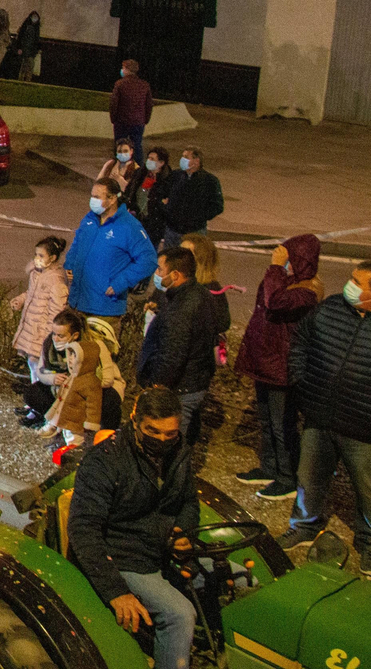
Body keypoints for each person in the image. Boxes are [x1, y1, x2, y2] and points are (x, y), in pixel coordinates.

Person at [68, 387, 200, 669]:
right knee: (180, 614)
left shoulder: (179, 452)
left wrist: (184, 532)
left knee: (233, 581)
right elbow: (83, 529)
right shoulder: (105, 461)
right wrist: (116, 591)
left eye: (170, 434)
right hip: (124, 556)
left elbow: (189, 502)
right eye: (153, 431)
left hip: (161, 549)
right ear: (134, 421)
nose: (163, 440)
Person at [279, 259, 371, 561]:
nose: (350, 286)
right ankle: (305, 525)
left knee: (368, 490)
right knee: (309, 478)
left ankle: (368, 544)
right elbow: (301, 341)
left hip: (362, 427)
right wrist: (300, 380)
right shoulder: (332, 307)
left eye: (358, 282)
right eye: (352, 279)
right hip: (319, 416)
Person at [234, 235, 321, 502]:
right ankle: (269, 467)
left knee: (282, 424)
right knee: (266, 420)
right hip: (266, 361)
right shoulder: (287, 282)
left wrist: (275, 267)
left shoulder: (308, 291)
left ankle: (287, 478)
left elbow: (275, 303)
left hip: (281, 367)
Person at [136, 246, 217, 444]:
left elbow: (172, 355)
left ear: (175, 274)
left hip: (180, 389)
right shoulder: (199, 294)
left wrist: (156, 387)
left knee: (171, 447)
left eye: (159, 270)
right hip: (194, 382)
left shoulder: (181, 309)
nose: (156, 274)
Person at [64, 178, 157, 321]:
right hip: (76, 303)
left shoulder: (129, 226)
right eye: (92, 196)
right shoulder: (90, 219)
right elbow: (77, 243)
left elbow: (148, 260)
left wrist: (122, 282)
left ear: (112, 198)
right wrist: (70, 263)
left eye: (97, 197)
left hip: (103, 310)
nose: (92, 200)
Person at [34, 309, 125, 447]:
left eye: (60, 335)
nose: (55, 339)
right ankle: (59, 424)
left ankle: (103, 433)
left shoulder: (94, 345)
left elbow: (107, 379)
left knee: (95, 399)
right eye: (54, 333)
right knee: (35, 393)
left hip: (97, 387)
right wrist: (53, 379)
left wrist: (78, 383)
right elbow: (40, 371)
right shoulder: (50, 345)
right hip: (66, 387)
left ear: (75, 335)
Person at [10, 236, 70, 391]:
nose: (37, 259)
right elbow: (32, 293)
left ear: (53, 258)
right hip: (32, 327)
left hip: (40, 331)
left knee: (39, 368)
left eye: (41, 255)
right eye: (36, 255)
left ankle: (38, 403)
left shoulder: (56, 281)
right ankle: (33, 403)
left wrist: (50, 337)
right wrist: (21, 299)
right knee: (32, 364)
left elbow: (56, 312)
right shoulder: (37, 274)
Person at [160, 147, 224, 249]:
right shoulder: (176, 176)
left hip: (194, 231)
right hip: (172, 229)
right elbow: (162, 193)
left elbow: (217, 206)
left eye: (186, 157)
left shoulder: (209, 181)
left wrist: (197, 217)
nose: (182, 159)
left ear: (196, 161)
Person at [108, 59, 153, 162]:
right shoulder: (144, 85)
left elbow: (114, 104)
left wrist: (113, 118)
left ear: (127, 70)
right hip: (138, 122)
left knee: (119, 145)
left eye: (123, 68)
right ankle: (137, 169)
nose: (122, 70)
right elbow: (149, 104)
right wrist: (145, 119)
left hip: (122, 121)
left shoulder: (120, 84)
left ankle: (118, 165)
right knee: (137, 146)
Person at [96, 138, 144, 203]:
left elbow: (133, 192)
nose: (122, 154)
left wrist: (120, 180)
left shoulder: (136, 169)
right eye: (119, 151)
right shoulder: (110, 164)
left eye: (125, 151)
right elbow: (98, 181)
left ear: (131, 151)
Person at [12, 10, 42, 82]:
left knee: (26, 66)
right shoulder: (29, 27)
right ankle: (23, 80)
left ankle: (24, 80)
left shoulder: (33, 28)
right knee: (26, 66)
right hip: (26, 50)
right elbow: (21, 38)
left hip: (29, 50)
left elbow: (35, 40)